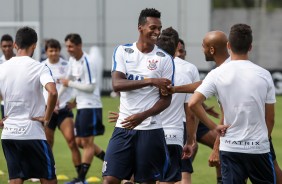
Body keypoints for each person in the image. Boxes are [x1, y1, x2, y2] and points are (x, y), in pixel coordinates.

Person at [189, 23, 276, 183]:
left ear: (229, 46)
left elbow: (193, 103)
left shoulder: (217, 74)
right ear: (250, 47)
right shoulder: (264, 75)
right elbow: (270, 119)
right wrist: (261, 141)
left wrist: (214, 127)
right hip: (258, 149)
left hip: (230, 148)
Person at [102, 8, 174, 184]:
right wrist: (151, 81)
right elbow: (117, 84)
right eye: (152, 27)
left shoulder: (164, 58)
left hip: (150, 130)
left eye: (159, 28)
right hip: (124, 127)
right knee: (109, 179)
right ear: (140, 27)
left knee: (147, 181)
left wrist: (142, 116)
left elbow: (166, 99)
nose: (157, 32)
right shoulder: (123, 51)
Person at [0, 26, 57, 184]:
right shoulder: (39, 67)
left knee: (16, 179)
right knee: (48, 179)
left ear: (15, 45)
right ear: (34, 45)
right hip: (32, 133)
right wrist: (47, 117)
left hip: (9, 134)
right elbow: (52, 92)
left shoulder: (2, 68)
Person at [60, 33, 105, 184]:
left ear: (79, 45)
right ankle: (109, 161)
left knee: (86, 143)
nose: (68, 49)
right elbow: (69, 80)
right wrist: (58, 99)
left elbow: (91, 87)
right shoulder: (73, 60)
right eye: (67, 46)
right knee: (79, 142)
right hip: (82, 106)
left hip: (91, 106)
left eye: (71, 46)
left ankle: (81, 179)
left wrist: (69, 84)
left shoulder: (88, 61)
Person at [42, 39, 82, 179]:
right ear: (46, 51)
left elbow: (78, 82)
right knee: (48, 144)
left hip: (64, 110)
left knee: (72, 141)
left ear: (60, 51)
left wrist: (75, 102)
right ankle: (49, 172)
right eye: (50, 50)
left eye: (56, 50)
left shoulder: (67, 65)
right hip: (48, 110)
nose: (54, 53)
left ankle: (80, 177)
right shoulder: (41, 66)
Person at [0, 34, 16, 119]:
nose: (7, 48)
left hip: (20, 102)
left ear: (13, 45)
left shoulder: (19, 60)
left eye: (9, 46)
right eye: (4, 46)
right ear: (0, 46)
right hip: (5, 103)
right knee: (7, 129)